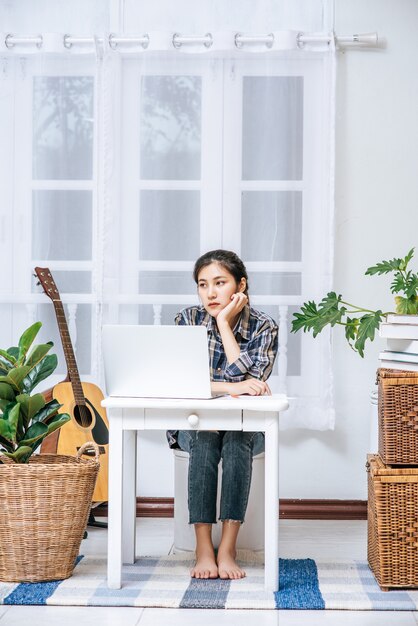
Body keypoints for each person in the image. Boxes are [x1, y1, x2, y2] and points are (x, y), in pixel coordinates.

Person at [166, 249, 278, 580]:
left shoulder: (263, 327)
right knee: (204, 436)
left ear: (240, 285)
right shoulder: (186, 320)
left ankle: (227, 548)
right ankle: (204, 548)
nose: (211, 293)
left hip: (246, 430)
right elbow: (186, 384)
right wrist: (232, 387)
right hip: (194, 424)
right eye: (203, 285)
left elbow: (253, 379)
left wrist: (222, 324)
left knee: (237, 439)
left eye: (220, 283)